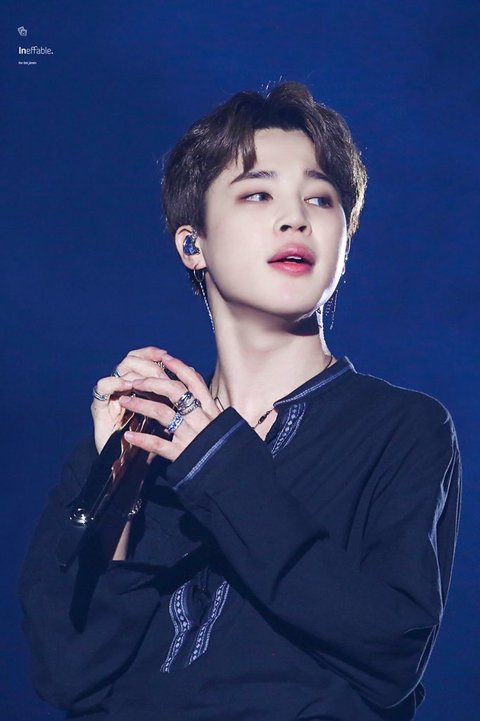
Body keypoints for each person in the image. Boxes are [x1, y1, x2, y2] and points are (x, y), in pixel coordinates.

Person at [19, 82, 461, 721]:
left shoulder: (404, 428)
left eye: (321, 198)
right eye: (258, 193)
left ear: (346, 236)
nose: (296, 218)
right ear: (192, 244)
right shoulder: (141, 435)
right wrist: (118, 482)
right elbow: (67, 675)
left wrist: (218, 465)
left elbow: (391, 652)